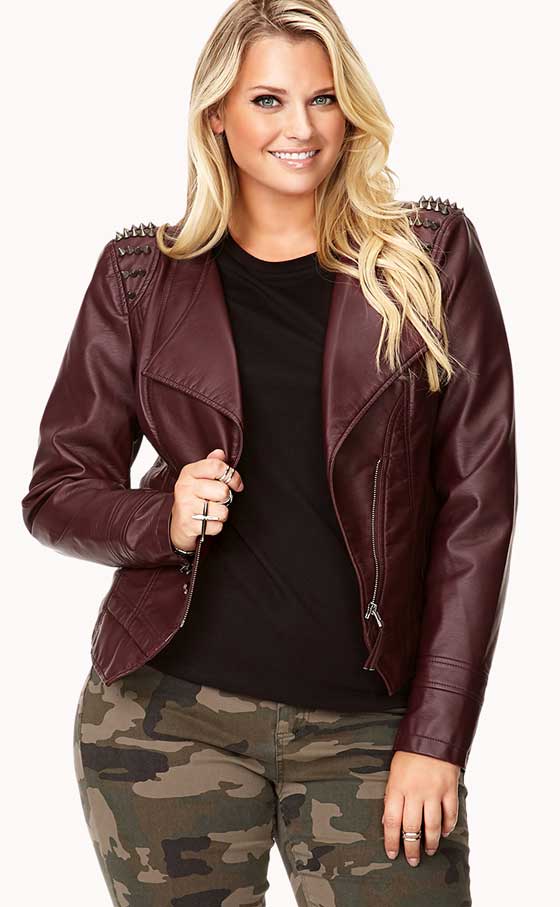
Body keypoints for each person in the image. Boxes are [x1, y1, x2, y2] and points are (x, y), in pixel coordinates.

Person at [20, 1, 517, 905]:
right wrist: (162, 517)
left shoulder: (428, 258)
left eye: (323, 99)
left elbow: (477, 513)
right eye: (268, 100)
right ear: (218, 113)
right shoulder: (140, 276)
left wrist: (436, 737)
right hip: (165, 726)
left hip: (371, 731)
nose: (302, 128)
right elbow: (56, 490)